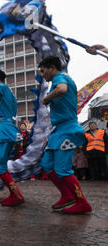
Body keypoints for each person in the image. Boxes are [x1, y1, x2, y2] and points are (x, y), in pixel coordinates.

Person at [39, 56, 92, 214]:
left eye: (43, 71)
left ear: (52, 68)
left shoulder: (59, 77)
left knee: (62, 169)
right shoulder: (59, 78)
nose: (42, 75)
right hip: (58, 131)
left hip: (68, 129)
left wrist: (47, 98)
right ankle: (67, 195)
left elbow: (62, 89)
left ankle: (82, 203)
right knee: (47, 165)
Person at [0, 69, 25, 207]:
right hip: (7, 127)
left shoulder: (1, 87)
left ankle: (16, 195)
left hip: (5, 128)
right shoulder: (6, 91)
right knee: (1, 165)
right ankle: (15, 194)